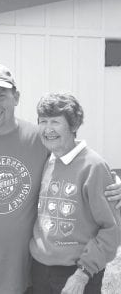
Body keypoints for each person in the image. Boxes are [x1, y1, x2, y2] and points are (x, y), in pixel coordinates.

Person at [0, 64, 121, 294]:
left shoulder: (38, 139)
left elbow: (76, 162)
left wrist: (112, 185)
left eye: (1, 95)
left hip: (21, 279)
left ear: (16, 97)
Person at [30, 93, 121, 294]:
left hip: (76, 273)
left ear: (73, 126)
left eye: (55, 121)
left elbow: (111, 229)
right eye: (43, 121)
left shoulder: (93, 166)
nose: (47, 128)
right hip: (38, 269)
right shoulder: (47, 159)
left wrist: (82, 274)